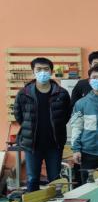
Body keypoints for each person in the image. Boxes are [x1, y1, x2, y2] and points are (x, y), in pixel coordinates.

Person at [13, 57, 71, 191]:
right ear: (33, 71)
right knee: (32, 178)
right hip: (32, 144)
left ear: (51, 71)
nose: (42, 72)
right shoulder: (23, 93)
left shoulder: (62, 93)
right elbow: (19, 116)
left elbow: (66, 115)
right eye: (39, 69)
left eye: (46, 69)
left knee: (55, 179)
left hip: (54, 144)